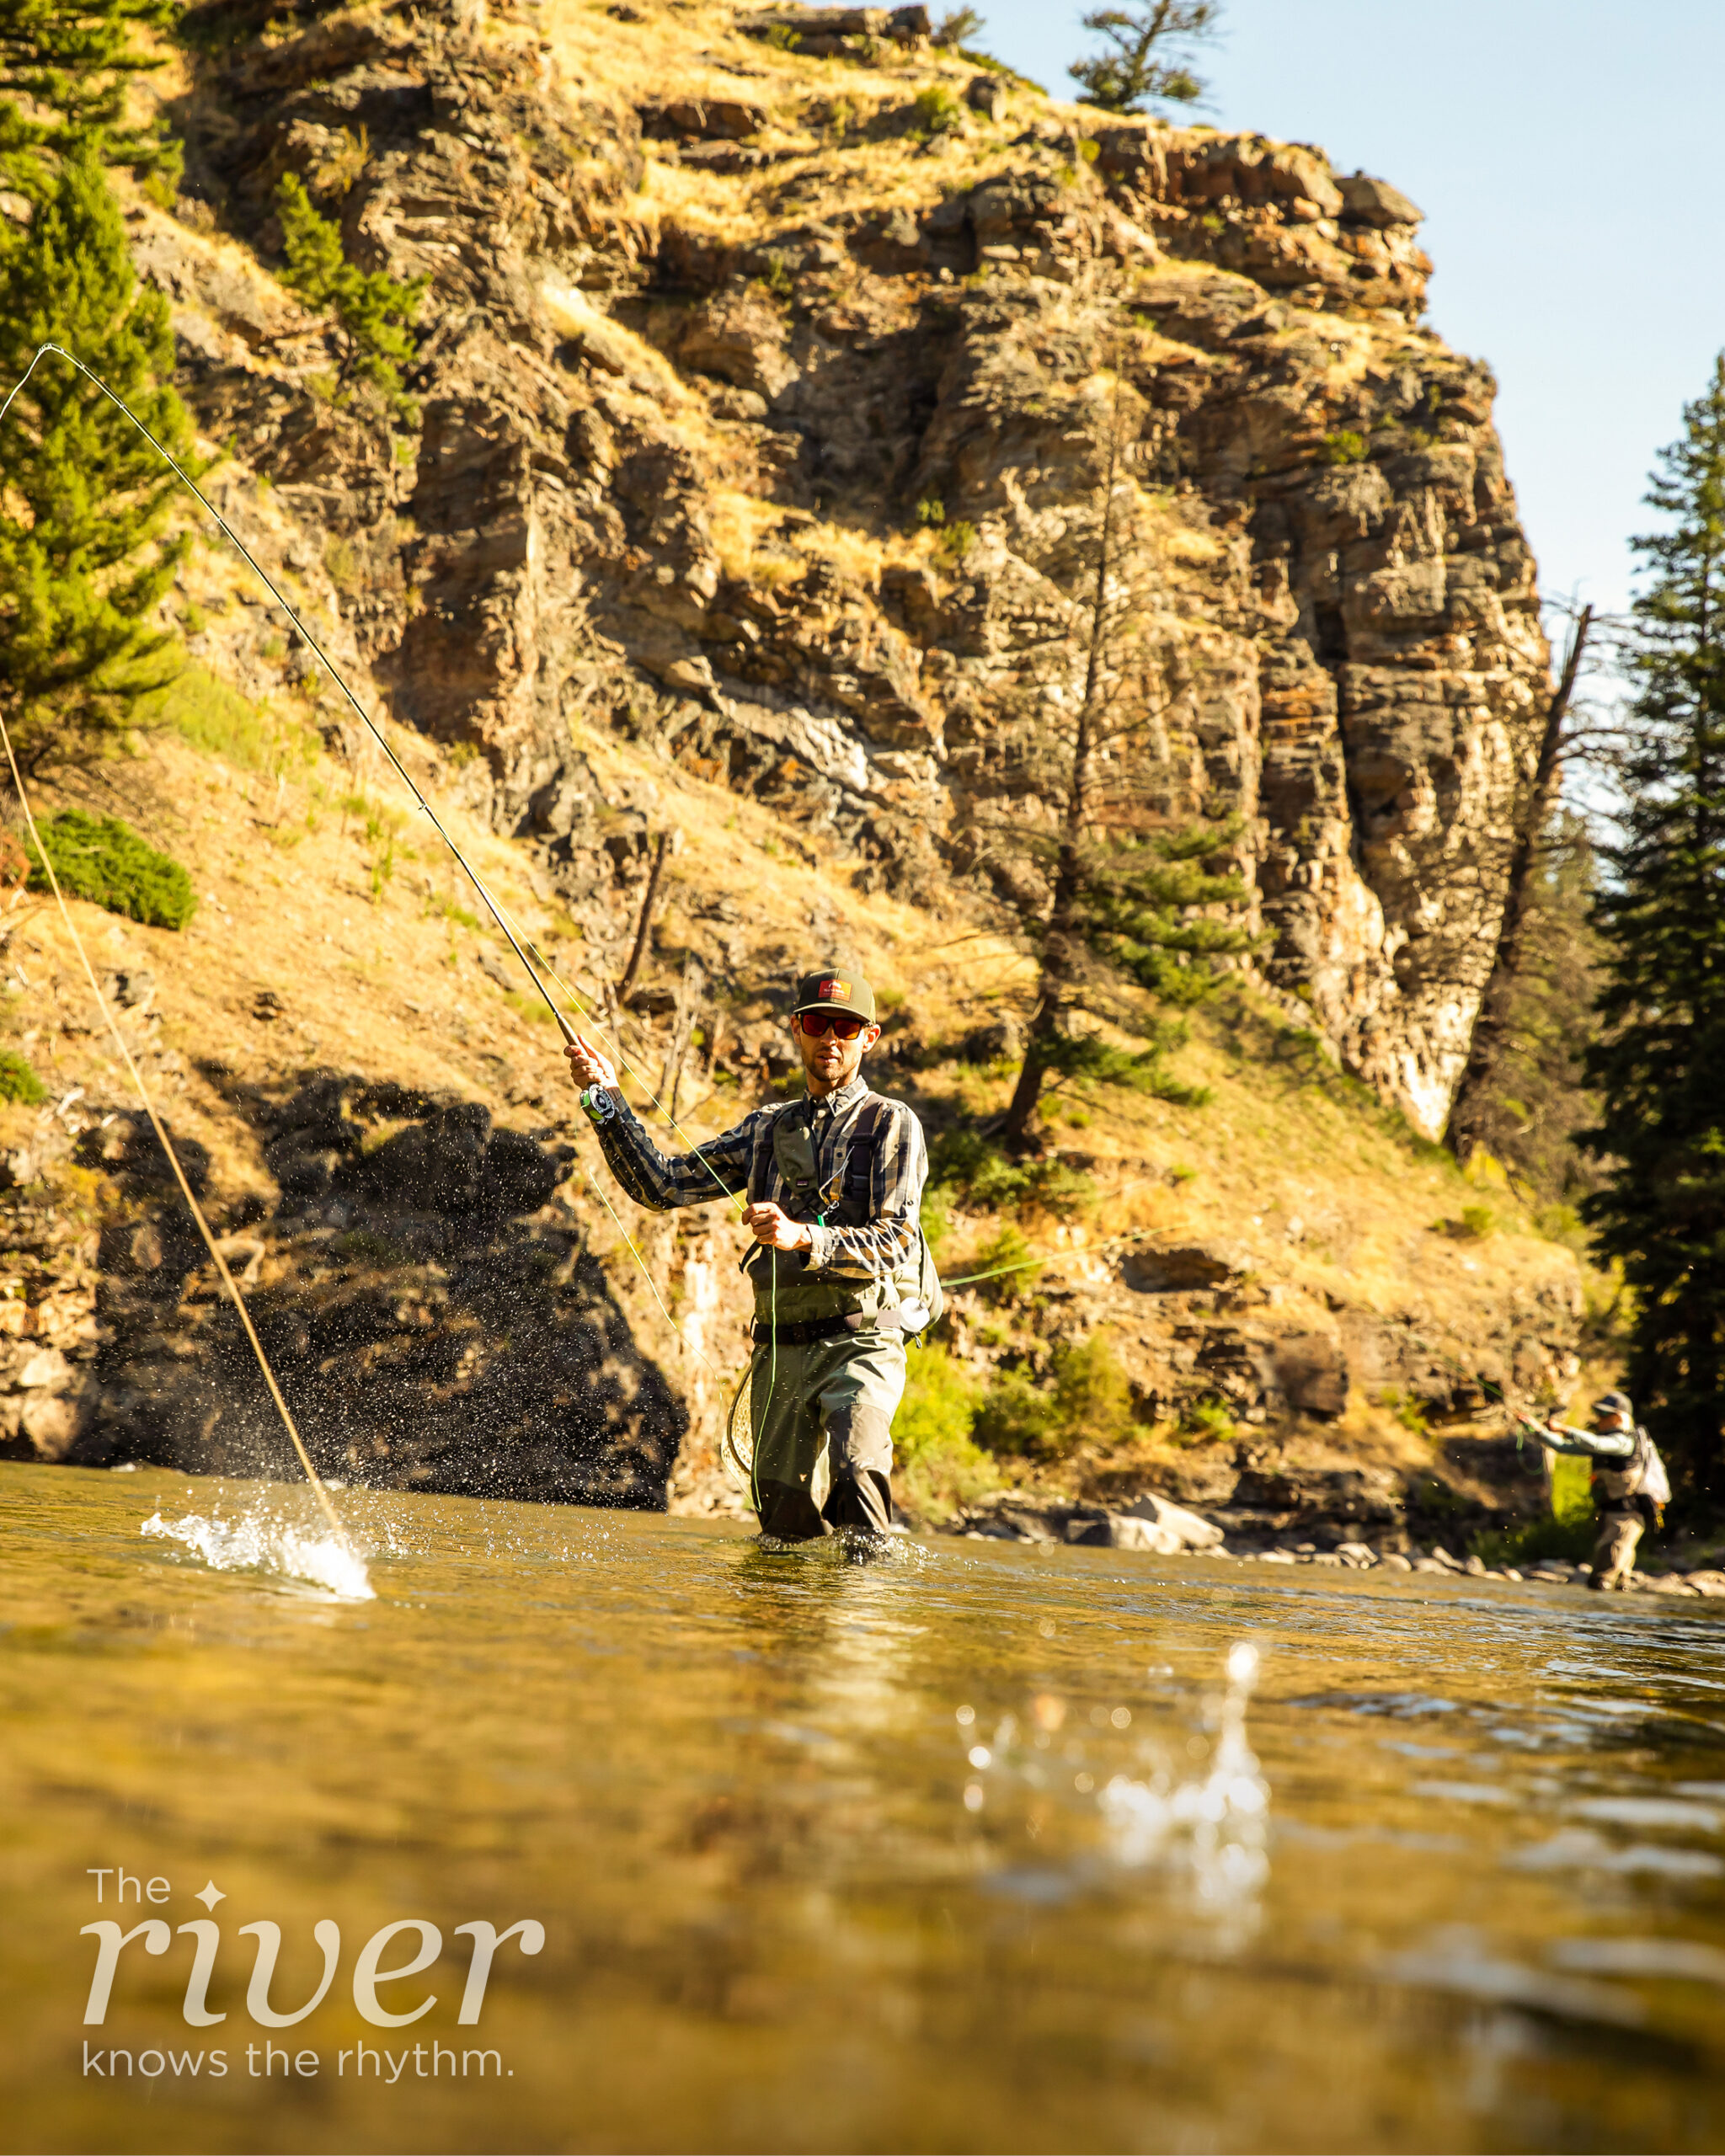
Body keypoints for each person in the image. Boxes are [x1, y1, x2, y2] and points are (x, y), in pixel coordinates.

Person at [563, 968, 931, 1543]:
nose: (830, 1037)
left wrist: (804, 1237)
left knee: (858, 1480)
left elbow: (898, 1242)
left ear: (869, 1037)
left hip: (861, 1340)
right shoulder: (765, 1130)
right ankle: (784, 1626)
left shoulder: (891, 1123)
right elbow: (661, 1185)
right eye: (817, 1023)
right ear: (797, 1029)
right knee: (781, 1521)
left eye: (846, 1026)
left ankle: (859, 1620)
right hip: (780, 1347)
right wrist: (606, 1101)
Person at [1533, 1390, 1671, 1591]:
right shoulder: (1606, 1445)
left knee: (1603, 1578)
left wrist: (1564, 1428)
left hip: (1628, 1517)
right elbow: (1563, 1447)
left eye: (1605, 1414)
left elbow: (1597, 1443)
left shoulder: (1625, 1442)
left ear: (1619, 1417)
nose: (1599, 1419)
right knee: (1611, 1579)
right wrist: (1536, 1430)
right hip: (1609, 1515)